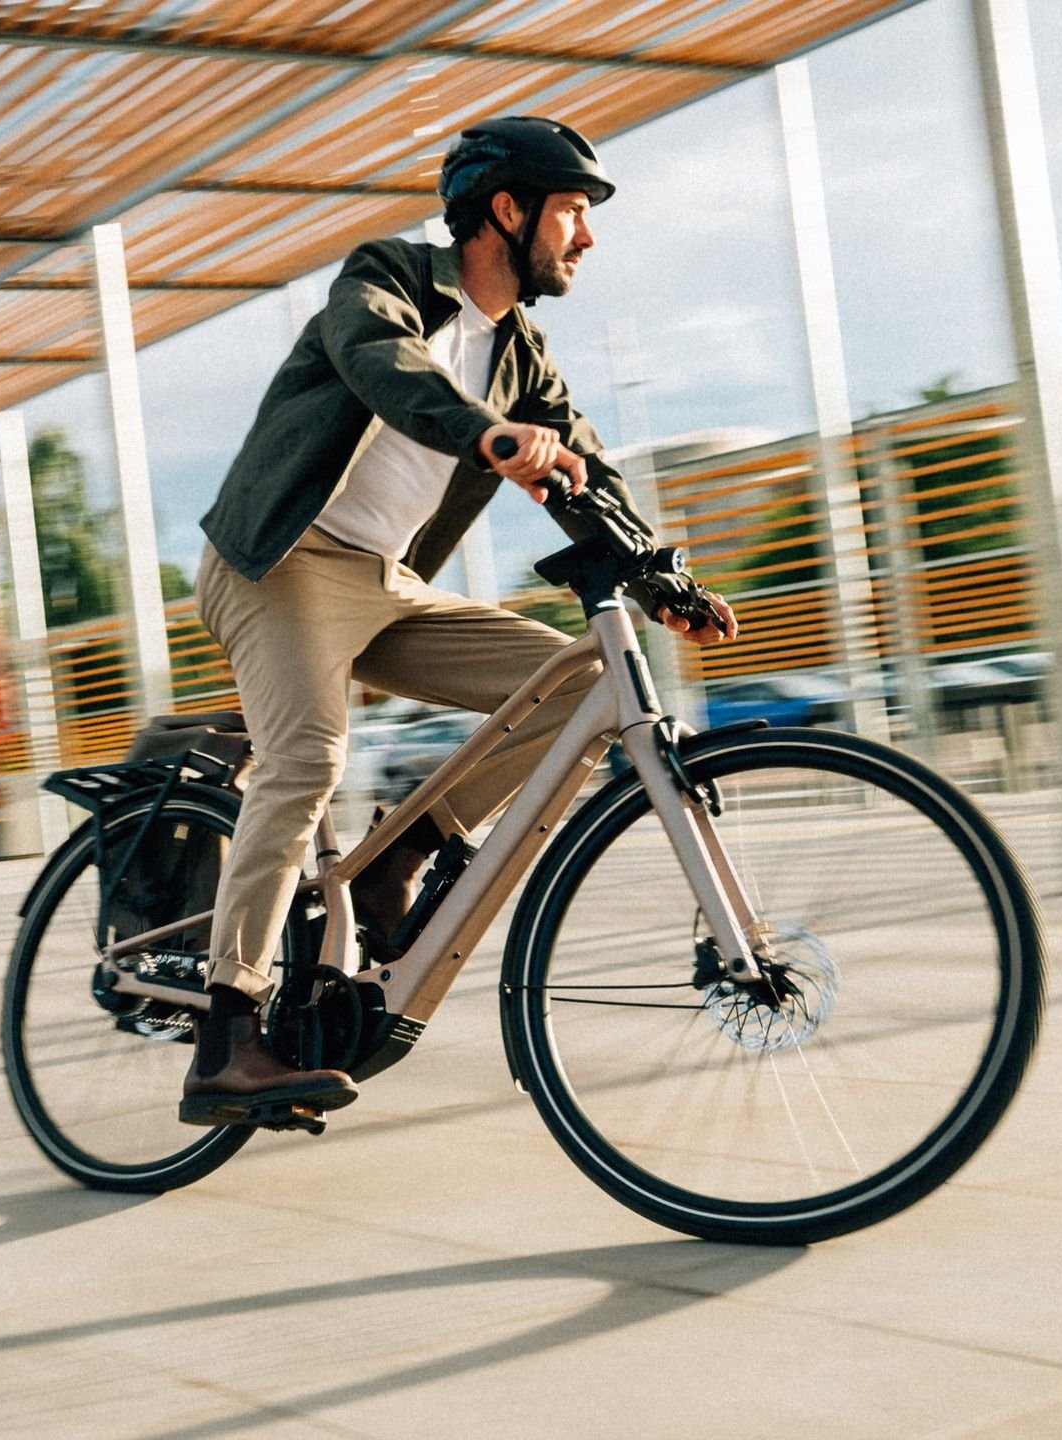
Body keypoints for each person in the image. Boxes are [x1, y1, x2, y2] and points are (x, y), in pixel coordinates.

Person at [181, 116, 738, 1127]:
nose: (588, 237)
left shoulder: (523, 353)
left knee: (577, 681)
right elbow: (382, 363)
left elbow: (590, 469)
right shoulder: (390, 274)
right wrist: (486, 435)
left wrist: (663, 580)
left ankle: (398, 859)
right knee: (307, 760)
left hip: (382, 581)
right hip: (279, 561)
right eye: (572, 210)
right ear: (507, 209)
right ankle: (229, 1034)